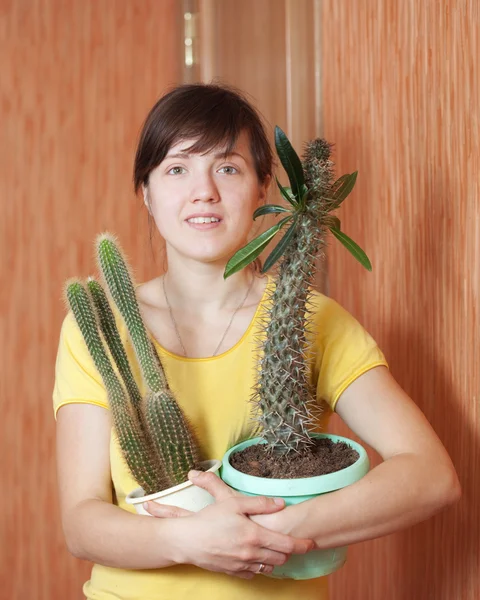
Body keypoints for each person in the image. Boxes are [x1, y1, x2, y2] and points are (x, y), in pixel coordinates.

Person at [53, 83, 461, 600]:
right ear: (147, 193)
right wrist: (190, 541)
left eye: (227, 167)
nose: (204, 191)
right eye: (177, 169)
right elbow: (81, 523)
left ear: (263, 188)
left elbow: (430, 475)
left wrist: (267, 536)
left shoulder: (312, 319)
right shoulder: (100, 328)